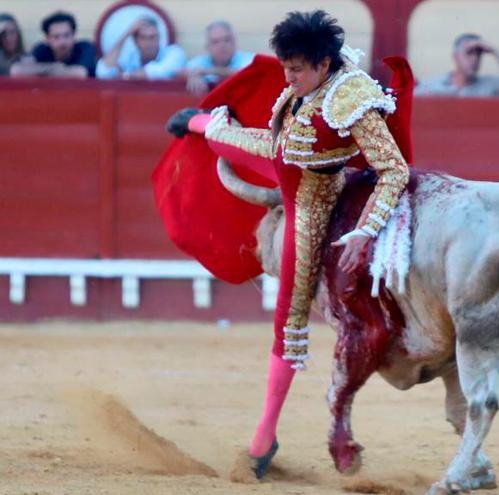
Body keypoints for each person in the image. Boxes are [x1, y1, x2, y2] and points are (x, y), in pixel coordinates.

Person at [165, 10, 410, 478]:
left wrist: (366, 229)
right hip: (283, 163)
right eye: (286, 67)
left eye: (296, 68)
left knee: (290, 314)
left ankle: (263, 438)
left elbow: (394, 169)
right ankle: (196, 122)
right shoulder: (300, 87)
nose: (289, 76)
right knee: (222, 135)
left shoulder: (351, 95)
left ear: (322, 64)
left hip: (312, 203)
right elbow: (273, 142)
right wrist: (207, 126)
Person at [415, 33, 499, 96]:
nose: (475, 59)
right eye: (469, 53)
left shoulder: (489, 85)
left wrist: (494, 50)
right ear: (455, 57)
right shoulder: (432, 85)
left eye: (479, 54)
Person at [11, 11, 96, 78]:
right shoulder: (42, 49)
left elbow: (80, 74)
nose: (62, 42)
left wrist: (39, 70)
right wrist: (54, 67)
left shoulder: (85, 47)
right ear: (47, 39)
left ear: (74, 35)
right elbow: (16, 70)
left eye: (66, 35)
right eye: (56, 37)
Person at [96, 16, 185, 80]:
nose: (148, 42)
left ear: (159, 38)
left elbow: (161, 71)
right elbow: (103, 72)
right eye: (143, 37)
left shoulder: (174, 52)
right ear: (135, 41)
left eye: (153, 37)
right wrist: (127, 33)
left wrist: (125, 76)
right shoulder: (130, 57)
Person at [182, 20, 254, 94]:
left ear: (234, 42)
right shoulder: (201, 61)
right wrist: (192, 76)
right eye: (215, 42)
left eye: (227, 40)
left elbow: (245, 73)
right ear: (207, 47)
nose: (222, 45)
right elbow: (179, 71)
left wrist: (207, 71)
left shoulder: (249, 59)